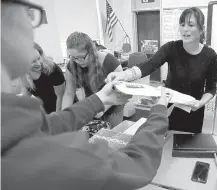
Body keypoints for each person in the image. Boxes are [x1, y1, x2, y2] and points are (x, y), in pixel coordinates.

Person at [1, 1, 171, 190]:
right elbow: (134, 165)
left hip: (111, 105)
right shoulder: (55, 156)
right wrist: (159, 113)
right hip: (100, 111)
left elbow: (46, 127)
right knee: (111, 141)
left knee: (115, 132)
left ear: (91, 51)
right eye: (29, 15)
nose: (34, 26)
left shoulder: (12, 122)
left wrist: (98, 101)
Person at [106, 7, 217, 133]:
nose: (185, 29)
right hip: (170, 108)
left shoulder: (210, 55)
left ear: (201, 29)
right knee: (166, 144)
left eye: (191, 25)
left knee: (188, 146)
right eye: (182, 24)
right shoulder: (171, 48)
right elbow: (149, 65)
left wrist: (201, 103)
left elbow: (211, 88)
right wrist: (124, 75)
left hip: (194, 110)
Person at [62, 31, 124, 127]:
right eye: (73, 58)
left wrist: (104, 107)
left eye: (81, 57)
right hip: (93, 108)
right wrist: (64, 115)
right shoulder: (71, 65)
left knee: (112, 137)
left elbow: (119, 90)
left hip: (112, 109)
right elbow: (69, 93)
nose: (78, 61)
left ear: (91, 51)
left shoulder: (110, 62)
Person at [20, 42, 65, 113]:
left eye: (38, 58)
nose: (38, 63)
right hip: (47, 112)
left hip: (63, 108)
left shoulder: (52, 68)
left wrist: (57, 117)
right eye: (33, 61)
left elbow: (61, 96)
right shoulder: (23, 74)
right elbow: (27, 94)